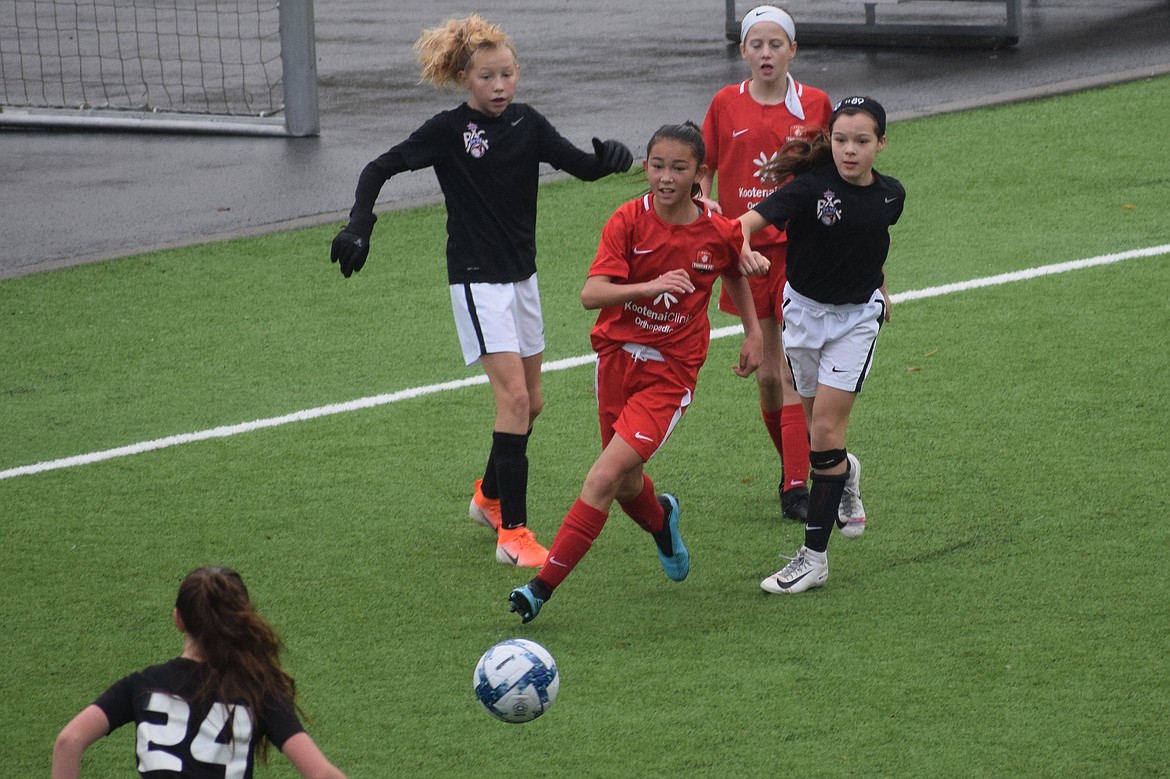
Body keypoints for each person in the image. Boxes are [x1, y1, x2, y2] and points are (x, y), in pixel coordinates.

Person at [329, 15, 633, 568]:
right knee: (514, 401)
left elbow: (578, 164)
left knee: (533, 402)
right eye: (488, 77)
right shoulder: (448, 131)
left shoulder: (528, 124)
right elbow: (379, 168)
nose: (499, 86)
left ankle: (488, 499)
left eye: (508, 75)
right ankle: (512, 534)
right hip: (476, 281)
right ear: (465, 78)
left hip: (523, 279)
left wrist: (609, 160)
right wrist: (359, 225)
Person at [508, 122, 770, 623]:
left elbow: (732, 266)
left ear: (699, 174)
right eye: (657, 165)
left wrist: (753, 333)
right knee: (627, 485)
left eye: (678, 167)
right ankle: (662, 520)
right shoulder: (627, 220)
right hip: (615, 364)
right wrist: (646, 288)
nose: (665, 177)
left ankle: (539, 589)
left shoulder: (719, 230)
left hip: (669, 375)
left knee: (603, 476)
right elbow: (591, 295)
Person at [738, 96, 904, 594]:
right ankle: (847, 470)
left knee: (827, 428)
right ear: (828, 139)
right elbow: (747, 222)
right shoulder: (808, 188)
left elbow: (873, 246)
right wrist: (743, 244)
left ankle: (814, 559)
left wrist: (881, 288)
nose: (849, 150)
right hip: (803, 316)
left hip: (855, 322)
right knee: (818, 435)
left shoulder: (892, 196)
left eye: (861, 141)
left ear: (881, 144)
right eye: (840, 140)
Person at [699, 5, 832, 523]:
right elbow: (704, 169)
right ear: (743, 53)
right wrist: (703, 203)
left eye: (776, 44)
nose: (766, 53)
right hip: (744, 255)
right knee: (768, 378)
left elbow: (834, 169)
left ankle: (796, 484)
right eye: (757, 44)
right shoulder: (724, 104)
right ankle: (796, 466)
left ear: (792, 50)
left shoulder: (816, 104)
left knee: (793, 368)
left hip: (798, 250)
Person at [51, 566, 347, 779]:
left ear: (178, 619)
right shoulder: (257, 691)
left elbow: (68, 740)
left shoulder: (141, 685)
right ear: (242, 620)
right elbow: (320, 773)